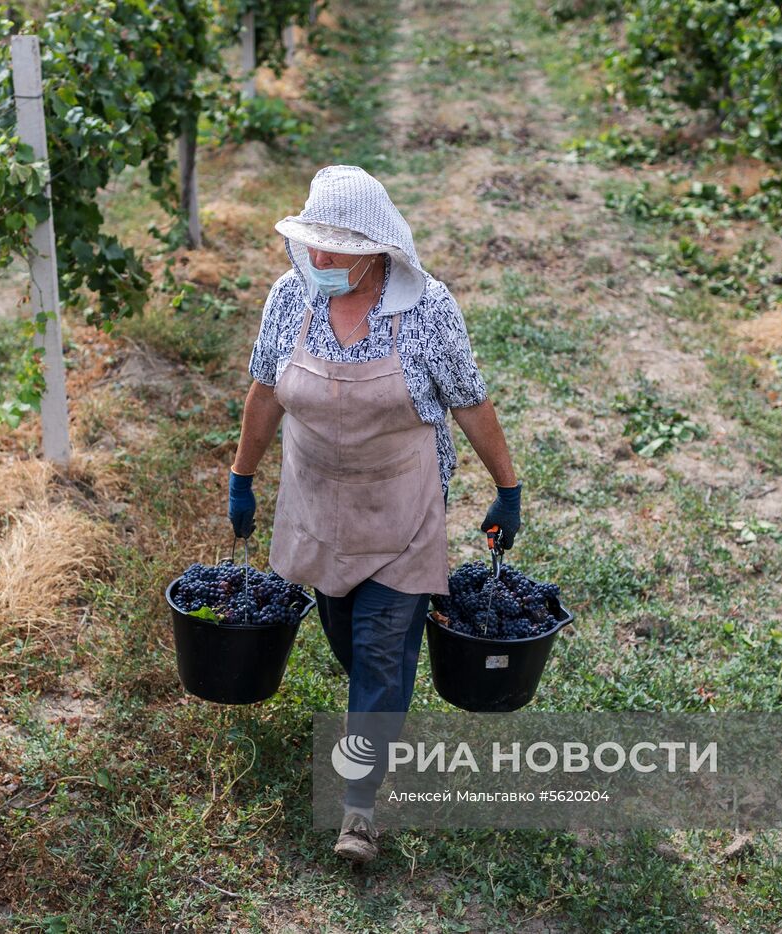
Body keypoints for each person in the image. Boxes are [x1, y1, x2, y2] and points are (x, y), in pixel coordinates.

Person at [227, 164, 520, 863]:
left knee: (382, 653)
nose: (320, 259)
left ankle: (358, 811)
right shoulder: (289, 299)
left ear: (376, 246)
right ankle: (374, 712)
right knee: (348, 636)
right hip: (315, 503)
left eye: (337, 248)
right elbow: (266, 391)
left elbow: (470, 402)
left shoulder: (426, 308)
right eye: (314, 245)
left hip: (400, 506)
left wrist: (507, 488)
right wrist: (242, 475)